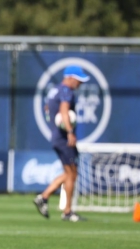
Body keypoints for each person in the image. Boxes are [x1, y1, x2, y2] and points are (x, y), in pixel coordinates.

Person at [33, 65, 89, 222]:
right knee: (72, 173)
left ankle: (44, 197)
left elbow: (47, 110)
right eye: (79, 80)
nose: (80, 84)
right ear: (70, 77)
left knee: (69, 173)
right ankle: (67, 211)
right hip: (63, 138)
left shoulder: (54, 90)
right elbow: (64, 111)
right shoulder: (66, 91)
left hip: (56, 137)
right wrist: (70, 131)